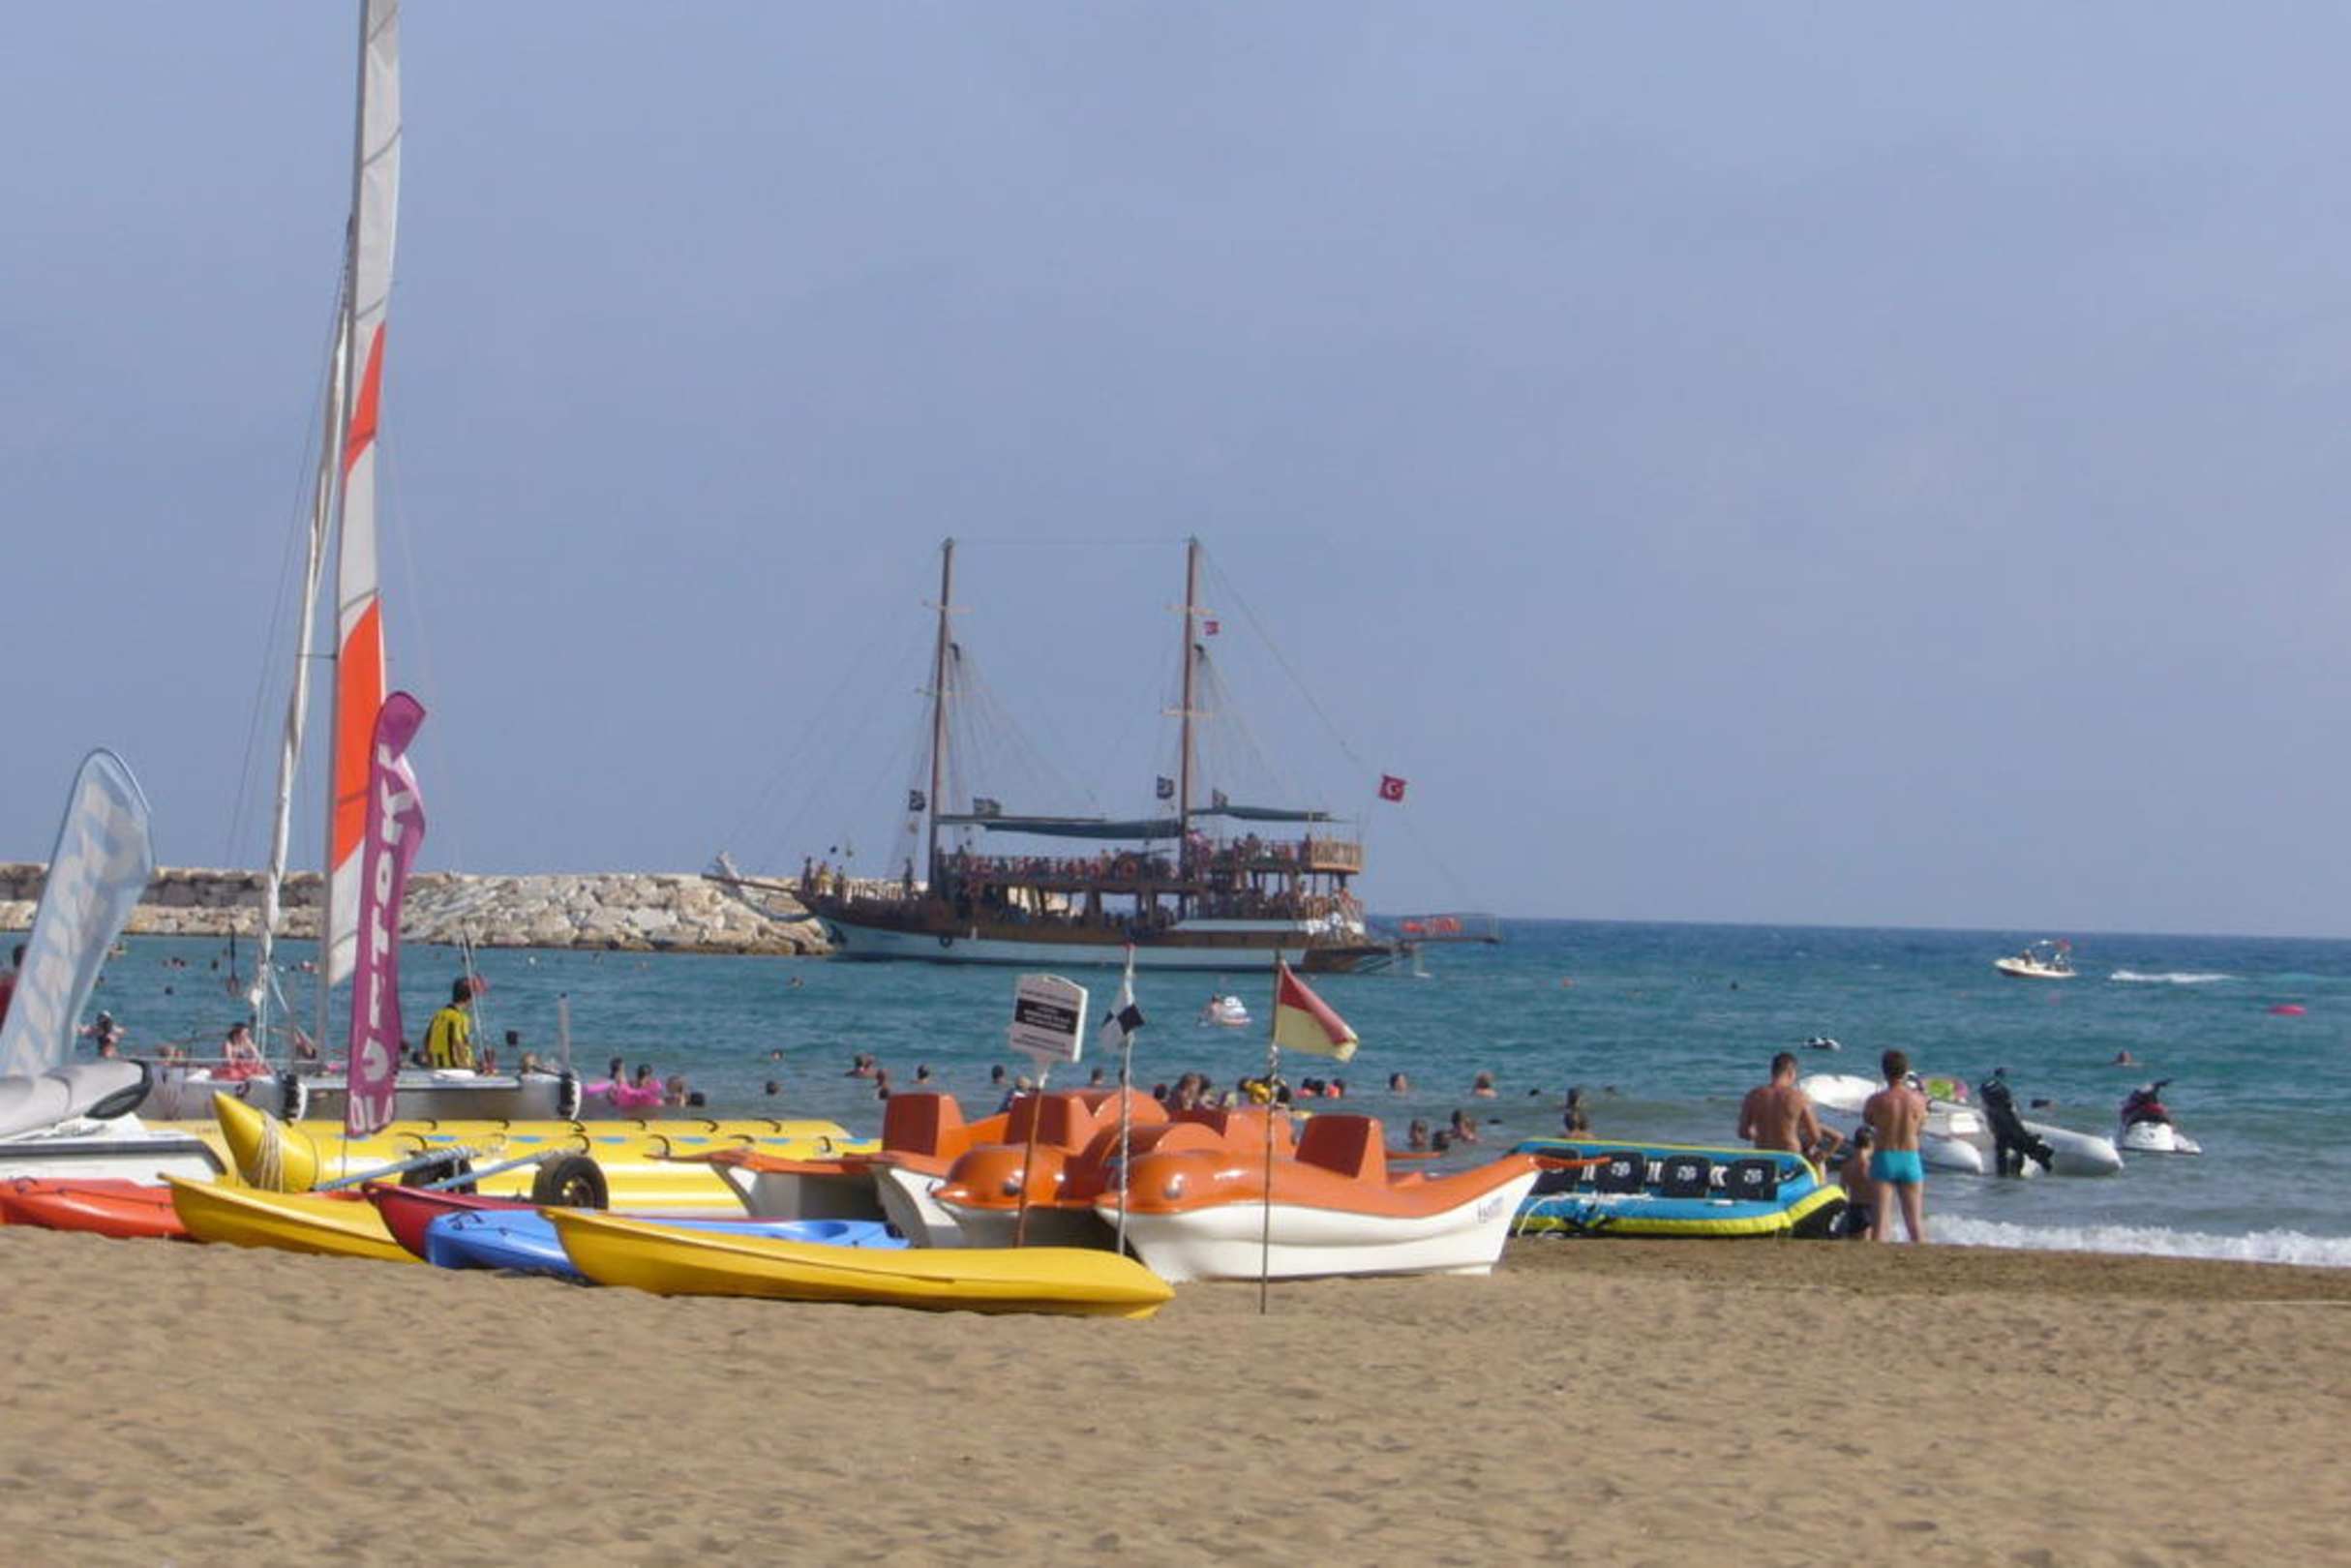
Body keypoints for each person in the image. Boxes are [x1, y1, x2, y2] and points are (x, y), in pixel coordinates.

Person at [1862, 1049, 1929, 1243]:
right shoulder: (1919, 1100)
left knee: (1880, 1224)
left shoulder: (1876, 1100)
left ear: (1884, 1071)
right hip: (1909, 1157)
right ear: (1906, 1071)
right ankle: (1922, 1256)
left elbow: (1869, 1121)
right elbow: (1920, 1126)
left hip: (1885, 1156)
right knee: (1915, 1223)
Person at [1737, 1051, 1841, 1164]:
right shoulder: (1799, 1097)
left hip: (1764, 1156)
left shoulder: (1753, 1096)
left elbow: (1743, 1133)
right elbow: (1815, 1136)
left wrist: (1763, 1135)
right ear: (1791, 1072)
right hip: (1790, 1157)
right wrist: (1806, 1148)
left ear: (1772, 1072)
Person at [1977, 1068, 2054, 1177]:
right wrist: (2043, 1103)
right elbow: (2026, 1104)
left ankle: (2004, 1177)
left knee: (2009, 1149)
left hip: (2008, 1132)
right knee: (2015, 1148)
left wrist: (2042, 1103)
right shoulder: (2006, 1104)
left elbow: (2025, 1105)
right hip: (2011, 1132)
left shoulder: (1997, 1106)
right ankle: (2010, 1175)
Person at [423, 979, 476, 1070]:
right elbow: (459, 1043)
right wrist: (466, 1066)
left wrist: (430, 1062)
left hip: (438, 1067)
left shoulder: (439, 1015)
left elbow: (426, 1040)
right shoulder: (460, 1017)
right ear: (469, 998)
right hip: (456, 1068)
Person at [1838, 1127, 1878, 1238]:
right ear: (1871, 1144)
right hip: (1869, 1209)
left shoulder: (1846, 1166)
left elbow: (1842, 1191)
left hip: (1852, 1208)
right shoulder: (1871, 1166)